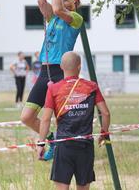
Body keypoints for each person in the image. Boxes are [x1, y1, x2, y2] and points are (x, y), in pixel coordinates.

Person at [21, 0, 83, 160]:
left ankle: (65, 150)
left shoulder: (74, 19)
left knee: (59, 117)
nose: (65, 2)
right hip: (45, 71)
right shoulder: (52, 17)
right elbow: (42, 2)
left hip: (60, 71)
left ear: (75, 7)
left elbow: (57, 8)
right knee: (27, 117)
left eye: (69, 1)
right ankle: (52, 140)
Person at [37, 51, 111, 190]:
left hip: (64, 146)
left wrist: (41, 144)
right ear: (79, 66)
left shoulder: (53, 88)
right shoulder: (91, 86)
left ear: (61, 67)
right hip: (85, 145)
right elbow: (105, 113)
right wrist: (103, 133)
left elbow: (46, 119)